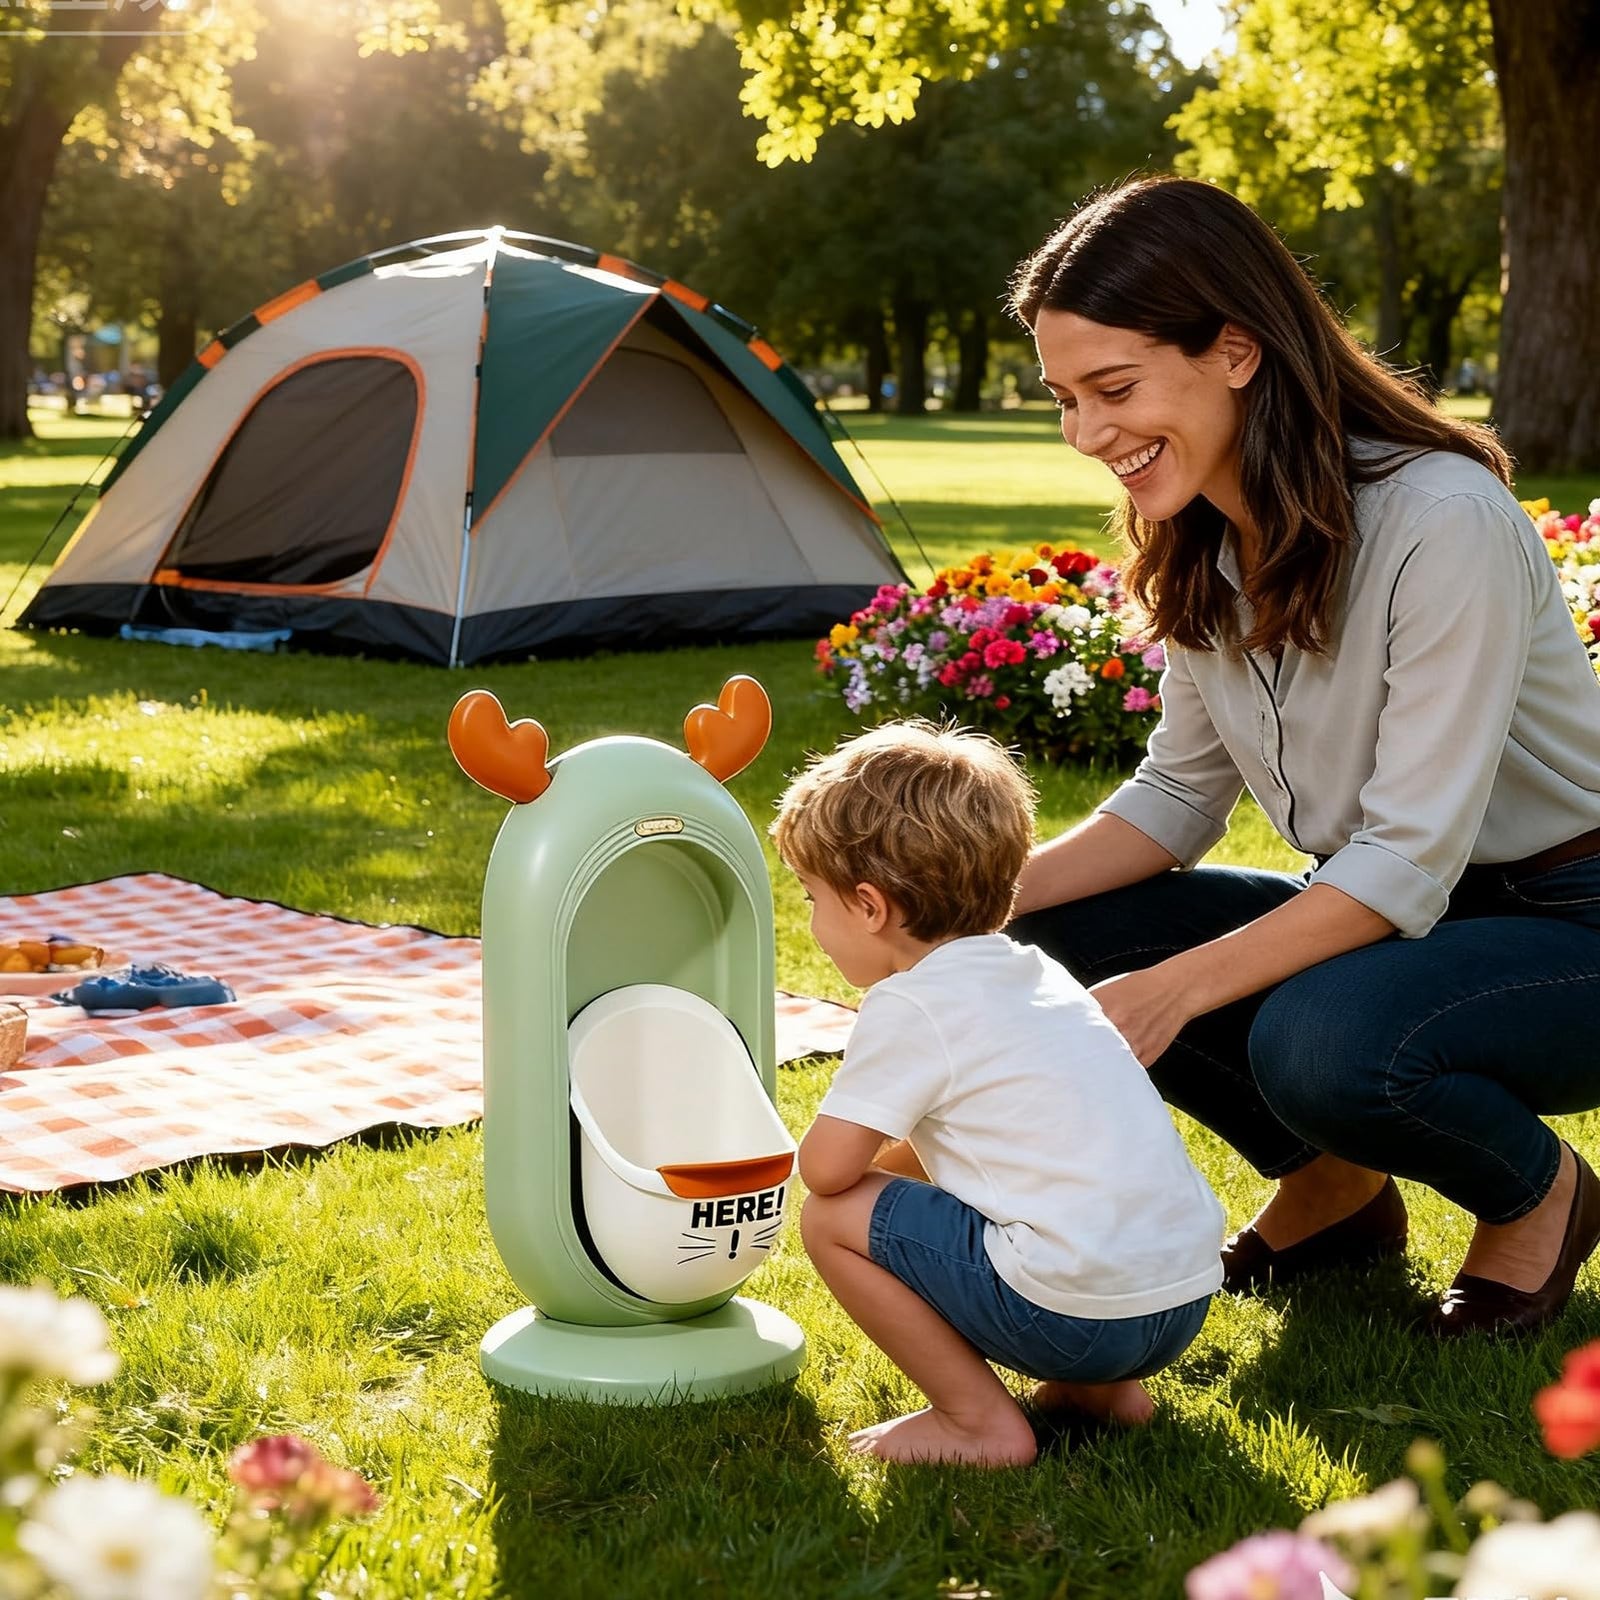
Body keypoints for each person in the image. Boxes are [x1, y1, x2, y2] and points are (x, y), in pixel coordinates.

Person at [1004, 174, 1600, 1338]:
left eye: (1113, 389)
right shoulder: (1201, 542)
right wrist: (965, 904)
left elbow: (1403, 859)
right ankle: (1332, 1189)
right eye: (1064, 398)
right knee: (1047, 934)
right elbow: (1175, 796)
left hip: (1568, 918)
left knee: (1320, 1039)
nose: (1087, 435)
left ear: (1235, 350)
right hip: (1397, 915)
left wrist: (1172, 991)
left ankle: (1540, 1197)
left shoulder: (1442, 521)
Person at [771, 721, 1225, 1467]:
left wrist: (801, 1155)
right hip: (1176, 1303)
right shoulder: (1038, 976)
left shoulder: (912, 1004)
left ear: (869, 905)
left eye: (813, 898)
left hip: (1075, 1315)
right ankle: (1104, 1394)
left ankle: (975, 1422)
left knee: (831, 1219)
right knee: (1028, 1208)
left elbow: (826, 1172)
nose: (813, 925)